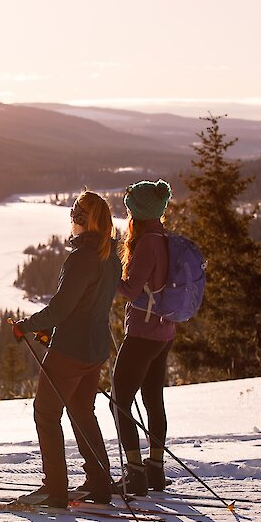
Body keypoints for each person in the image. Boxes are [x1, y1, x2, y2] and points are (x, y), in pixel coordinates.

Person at [12, 190, 121, 507]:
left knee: (46, 413)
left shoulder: (81, 260)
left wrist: (26, 325)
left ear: (78, 221)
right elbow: (84, 306)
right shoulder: (110, 258)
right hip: (95, 349)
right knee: (81, 412)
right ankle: (100, 483)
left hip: (70, 351)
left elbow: (61, 309)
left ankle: (55, 489)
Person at [111, 179, 175, 496]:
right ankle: (155, 470)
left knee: (119, 401)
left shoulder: (148, 242)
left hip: (143, 333)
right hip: (163, 332)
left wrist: (108, 269)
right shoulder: (163, 237)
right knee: (152, 399)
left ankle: (135, 474)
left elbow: (130, 291)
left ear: (137, 213)